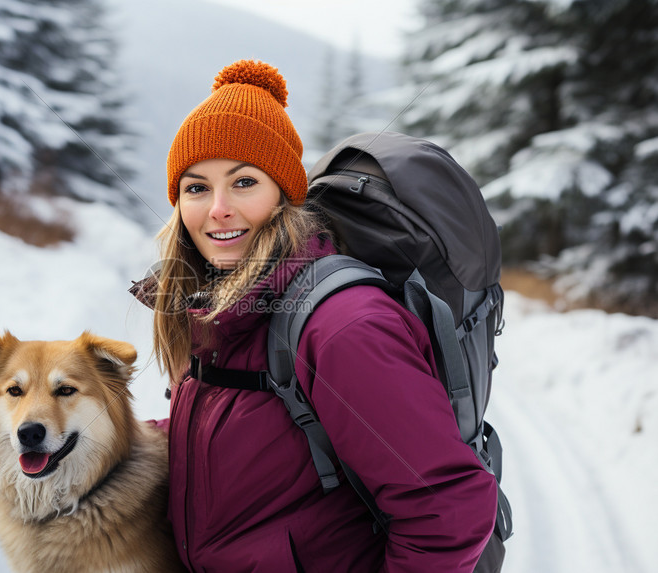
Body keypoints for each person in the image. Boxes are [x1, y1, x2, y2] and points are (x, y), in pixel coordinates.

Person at [133, 59, 498, 572]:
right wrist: (115, 442)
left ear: (284, 194)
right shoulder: (216, 309)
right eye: (196, 187)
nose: (216, 208)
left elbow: (446, 509)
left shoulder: (342, 324)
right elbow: (248, 441)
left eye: (243, 182)